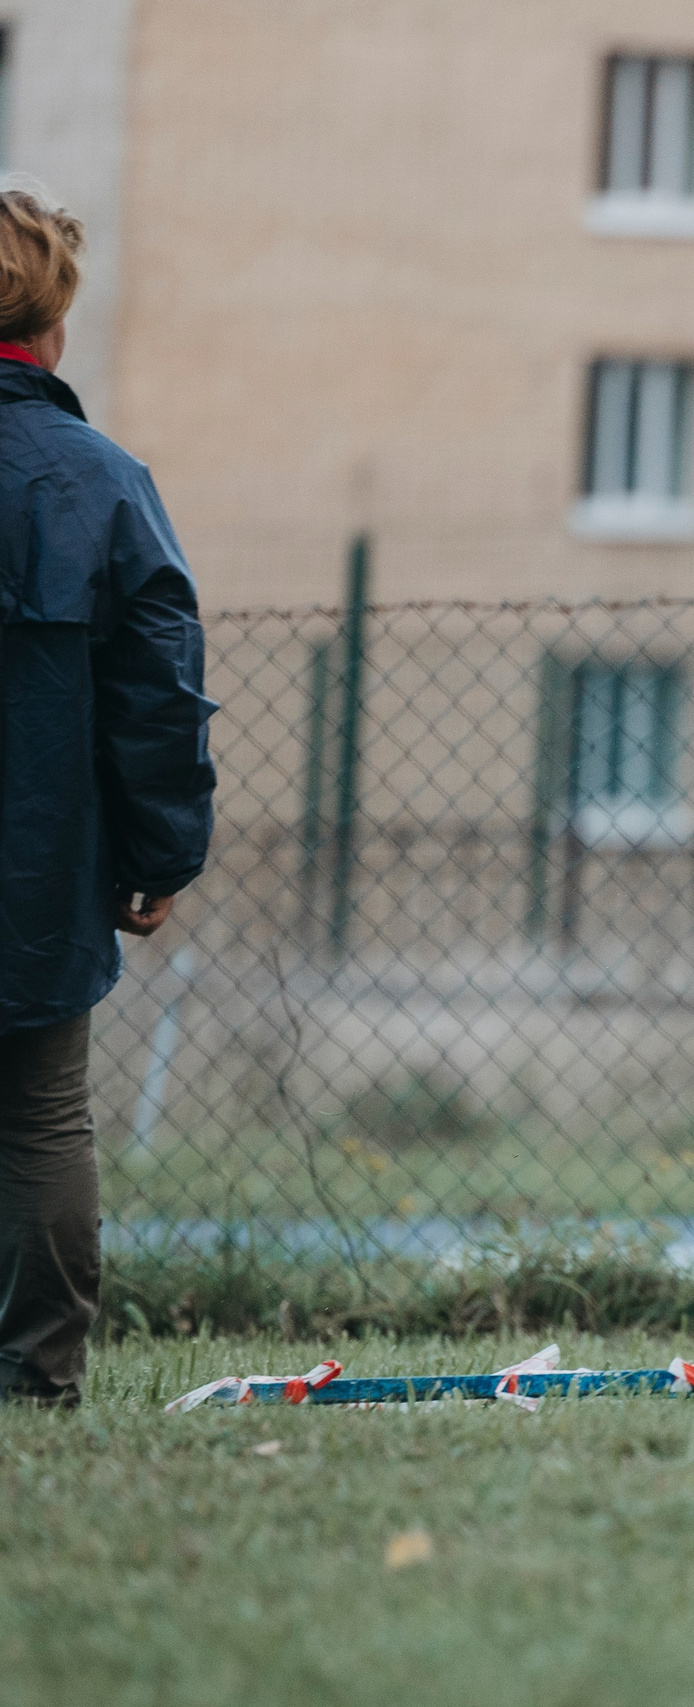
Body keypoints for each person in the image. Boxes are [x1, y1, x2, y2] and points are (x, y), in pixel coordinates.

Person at [0, 183, 217, 1408]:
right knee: (37, 1120)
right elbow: (157, 693)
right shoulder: (97, 480)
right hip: (33, 867)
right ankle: (34, 1382)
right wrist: (161, 852)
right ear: (53, 323)